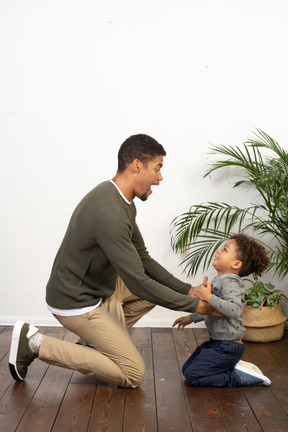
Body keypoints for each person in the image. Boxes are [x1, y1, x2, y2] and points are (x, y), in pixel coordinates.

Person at [9, 134, 221, 389]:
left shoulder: (123, 201)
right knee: (133, 374)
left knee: (151, 290)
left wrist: (190, 290)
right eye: (158, 168)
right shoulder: (109, 212)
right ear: (136, 165)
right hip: (76, 301)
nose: (160, 177)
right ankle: (33, 343)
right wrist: (195, 306)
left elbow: (143, 259)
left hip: (99, 288)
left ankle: (92, 345)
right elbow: (139, 281)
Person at [173, 233, 271, 387]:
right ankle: (230, 367)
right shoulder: (221, 280)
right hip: (218, 344)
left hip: (228, 348)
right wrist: (191, 318)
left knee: (192, 377)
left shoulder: (231, 281)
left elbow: (234, 310)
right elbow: (213, 309)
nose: (218, 251)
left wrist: (208, 296)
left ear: (236, 264)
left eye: (225, 249)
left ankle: (237, 377)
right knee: (187, 369)